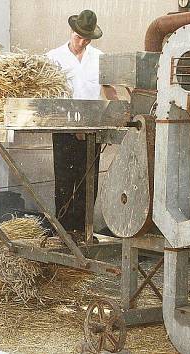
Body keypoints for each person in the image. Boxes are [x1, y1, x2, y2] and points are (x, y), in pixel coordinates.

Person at [46, 9, 117, 238]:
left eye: (86, 39)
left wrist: (118, 110)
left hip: (91, 128)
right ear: (72, 31)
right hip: (64, 129)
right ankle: (65, 234)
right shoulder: (53, 57)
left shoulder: (99, 58)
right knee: (65, 183)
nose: (82, 42)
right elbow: (48, 94)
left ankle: (84, 233)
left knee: (89, 183)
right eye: (79, 37)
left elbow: (107, 90)